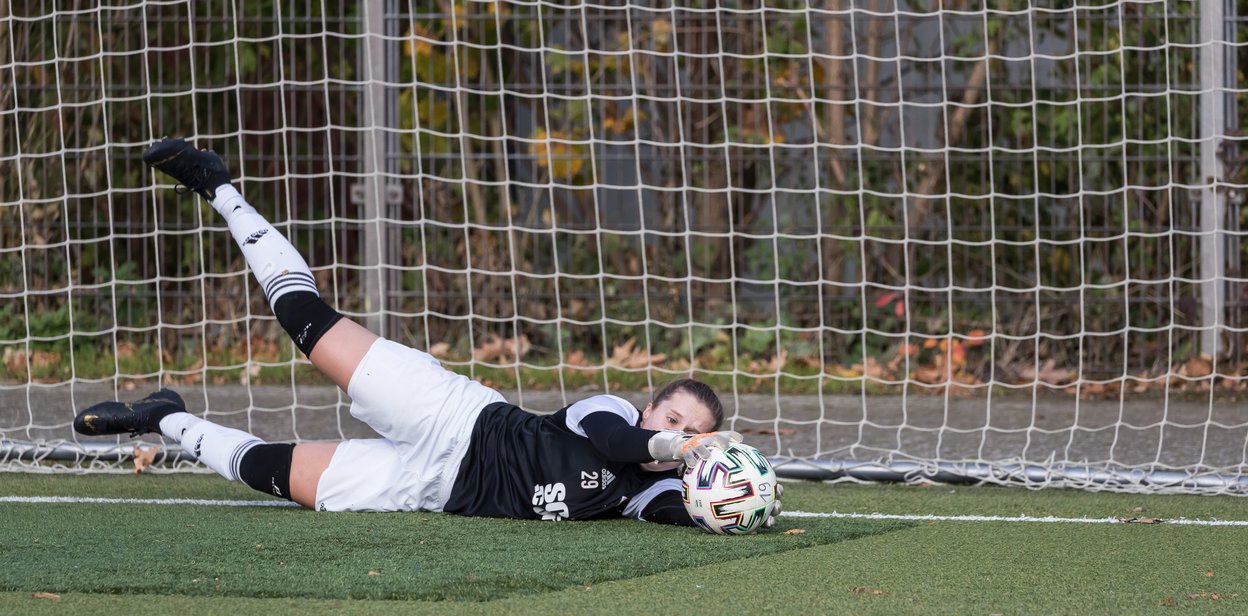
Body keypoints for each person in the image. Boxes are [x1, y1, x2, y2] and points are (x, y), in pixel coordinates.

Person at [75, 138, 782, 528]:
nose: (677, 430)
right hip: (450, 417)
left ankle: (163, 417)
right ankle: (220, 188)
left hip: (427, 489)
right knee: (307, 323)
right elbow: (627, 444)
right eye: (675, 414)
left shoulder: (638, 495)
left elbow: (683, 510)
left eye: (692, 428)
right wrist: (684, 442)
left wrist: (737, 496)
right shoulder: (614, 417)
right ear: (653, 407)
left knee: (269, 474)